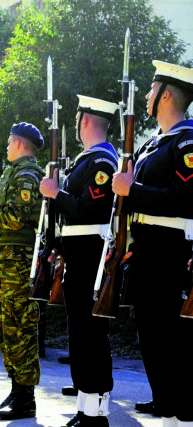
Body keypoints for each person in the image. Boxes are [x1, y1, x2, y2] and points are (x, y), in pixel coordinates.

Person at [112, 61, 193, 425]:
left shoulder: (188, 141)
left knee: (169, 327)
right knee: (148, 327)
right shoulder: (151, 144)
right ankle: (164, 397)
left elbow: (184, 197)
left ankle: (184, 402)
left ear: (166, 95)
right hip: (144, 244)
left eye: (151, 89)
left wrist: (134, 190)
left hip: (172, 244)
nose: (146, 96)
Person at [40, 96, 119, 426]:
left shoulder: (102, 163)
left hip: (92, 257)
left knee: (91, 336)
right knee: (80, 335)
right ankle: (86, 409)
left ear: (86, 120)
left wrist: (56, 193)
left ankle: (97, 412)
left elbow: (91, 209)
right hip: (76, 255)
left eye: (77, 117)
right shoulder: (84, 162)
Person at [0, 123, 44, 419]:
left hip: (18, 261)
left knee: (19, 326)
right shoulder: (13, 173)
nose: (5, 147)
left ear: (17, 143)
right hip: (5, 259)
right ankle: (16, 390)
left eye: (8, 142)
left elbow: (15, 218)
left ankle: (25, 397)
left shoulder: (27, 175)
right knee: (4, 327)